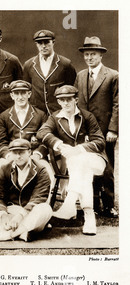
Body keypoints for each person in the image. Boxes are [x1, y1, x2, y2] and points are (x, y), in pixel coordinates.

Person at [37, 85, 108, 235]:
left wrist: (78, 149)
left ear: (76, 100)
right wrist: (60, 145)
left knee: (79, 160)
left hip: (95, 160)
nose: (65, 103)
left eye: (69, 99)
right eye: (62, 100)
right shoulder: (55, 117)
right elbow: (42, 132)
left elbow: (100, 141)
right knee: (82, 168)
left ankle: (70, 204)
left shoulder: (87, 116)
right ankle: (89, 216)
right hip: (75, 165)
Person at [0, 139, 52, 242]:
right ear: (10, 153)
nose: (18, 156)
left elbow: (39, 198)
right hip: (10, 213)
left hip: (29, 215)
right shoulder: (5, 169)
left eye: (22, 152)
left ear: (29, 152)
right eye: (14, 153)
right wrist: (3, 214)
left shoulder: (41, 170)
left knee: (46, 209)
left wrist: (20, 215)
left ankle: (6, 235)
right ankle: (19, 233)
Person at [74, 36, 119, 217]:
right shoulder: (80, 75)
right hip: (85, 131)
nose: (89, 58)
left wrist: (113, 129)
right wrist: (79, 128)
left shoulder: (112, 76)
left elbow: (118, 104)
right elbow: (78, 104)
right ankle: (91, 203)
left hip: (105, 131)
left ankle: (108, 204)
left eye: (93, 54)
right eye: (87, 54)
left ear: (101, 55)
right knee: (87, 166)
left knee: (106, 168)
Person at [0, 80, 54, 188]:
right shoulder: (4, 116)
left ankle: (45, 202)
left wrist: (37, 154)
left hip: (33, 155)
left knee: (46, 169)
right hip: (12, 155)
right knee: (0, 165)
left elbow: (45, 141)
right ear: (12, 95)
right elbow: (1, 142)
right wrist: (8, 155)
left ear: (29, 94)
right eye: (17, 93)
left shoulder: (40, 115)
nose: (20, 97)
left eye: (23, 93)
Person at [23, 30, 76, 115]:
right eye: (40, 43)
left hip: (59, 113)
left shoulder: (65, 64)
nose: (43, 46)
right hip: (36, 114)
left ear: (53, 42)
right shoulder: (28, 65)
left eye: (47, 42)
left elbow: (71, 89)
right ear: (36, 44)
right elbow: (26, 90)